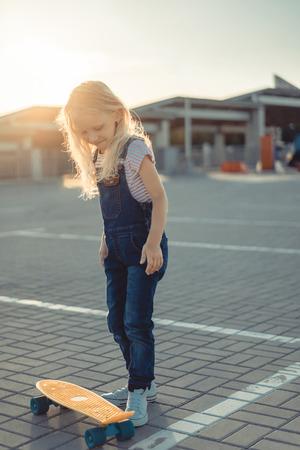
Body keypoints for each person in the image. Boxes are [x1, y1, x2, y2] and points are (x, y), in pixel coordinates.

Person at [57, 81, 168, 426]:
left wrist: (152, 243)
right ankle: (142, 382)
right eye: (84, 131)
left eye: (98, 127)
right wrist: (105, 240)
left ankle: (139, 389)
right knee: (117, 322)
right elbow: (110, 210)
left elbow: (160, 199)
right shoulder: (98, 155)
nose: (93, 135)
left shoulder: (134, 150)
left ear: (118, 115)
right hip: (116, 252)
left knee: (136, 322)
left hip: (144, 249)